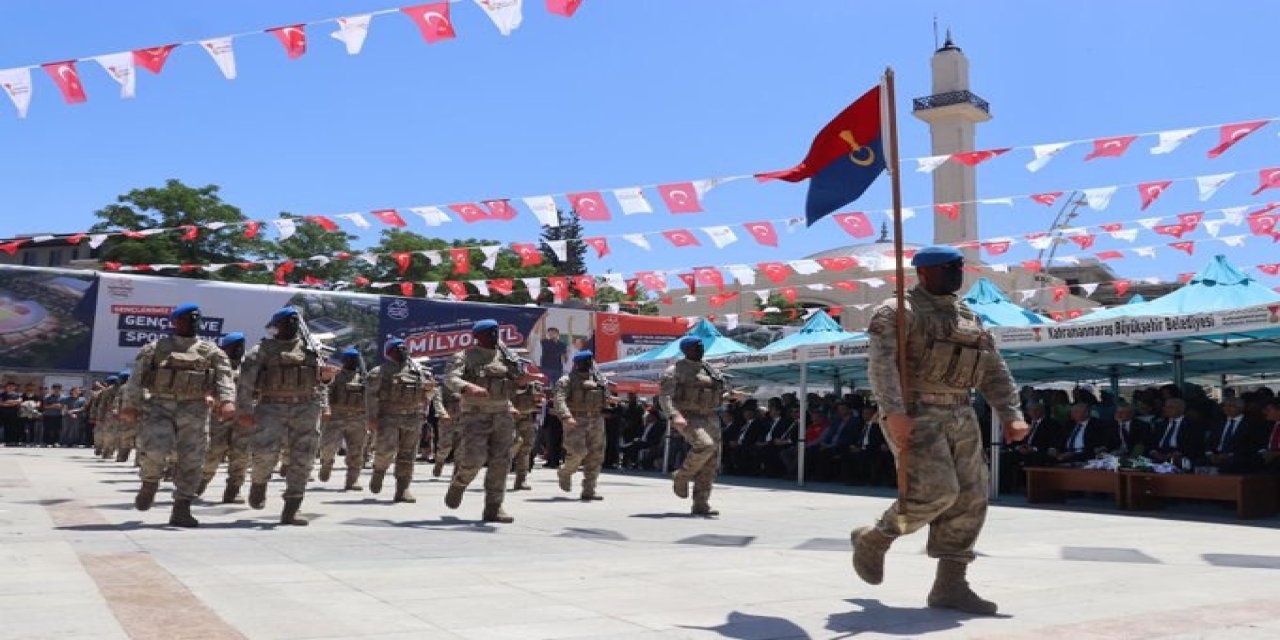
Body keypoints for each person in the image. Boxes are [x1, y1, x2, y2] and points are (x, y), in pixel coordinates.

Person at [851, 245, 1027, 616]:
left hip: (961, 412)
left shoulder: (968, 315)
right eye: (948, 267)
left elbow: (993, 368)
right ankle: (877, 538)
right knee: (934, 492)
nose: (956, 273)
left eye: (959, 267)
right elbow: (881, 365)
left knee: (971, 498)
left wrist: (1010, 413)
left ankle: (951, 584)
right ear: (923, 272)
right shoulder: (898, 311)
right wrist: (893, 412)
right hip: (916, 411)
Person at [120, 303, 236, 527]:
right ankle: (149, 482)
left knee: (193, 459)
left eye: (194, 319)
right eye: (184, 319)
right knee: (154, 450)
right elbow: (136, 379)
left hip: (195, 409)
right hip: (159, 405)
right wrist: (130, 405)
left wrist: (227, 400)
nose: (190, 323)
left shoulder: (211, 351)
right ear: (174, 322)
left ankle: (182, 508)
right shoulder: (155, 348)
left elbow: (224, 378)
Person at [237, 306, 330, 526]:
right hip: (271, 406)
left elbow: (320, 382)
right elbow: (246, 383)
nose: (292, 326)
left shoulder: (312, 350)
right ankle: (259, 483)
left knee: (304, 458)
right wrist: (244, 410)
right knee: (265, 453)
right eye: (286, 322)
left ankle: (292, 507)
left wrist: (326, 386)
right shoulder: (262, 350)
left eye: (294, 322)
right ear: (277, 326)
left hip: (306, 407)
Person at [443, 319, 536, 523]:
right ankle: (460, 482)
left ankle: (494, 507)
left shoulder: (507, 358)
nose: (494, 336)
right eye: (489, 333)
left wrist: (523, 383)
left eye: (496, 332)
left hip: (502, 414)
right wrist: (468, 387)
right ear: (478, 337)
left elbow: (515, 384)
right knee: (473, 459)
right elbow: (450, 378)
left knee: (501, 462)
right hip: (475, 415)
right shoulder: (464, 356)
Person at [657, 336, 739, 517]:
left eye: (701, 346)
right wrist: (674, 415)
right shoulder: (675, 370)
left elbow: (715, 394)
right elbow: (665, 397)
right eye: (696, 347)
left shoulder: (709, 369)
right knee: (705, 445)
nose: (701, 349)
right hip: (688, 416)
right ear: (686, 350)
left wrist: (730, 397)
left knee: (711, 462)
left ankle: (701, 504)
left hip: (710, 417)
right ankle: (682, 476)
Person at [367, 339, 447, 503]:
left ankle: (403, 489)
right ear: (389, 352)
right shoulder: (380, 371)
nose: (403, 351)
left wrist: (428, 392)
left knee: (408, 454)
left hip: (412, 417)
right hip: (389, 416)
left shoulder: (418, 371)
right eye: (398, 348)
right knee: (386, 450)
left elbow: (431, 392)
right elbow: (370, 396)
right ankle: (379, 470)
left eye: (404, 348)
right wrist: (372, 418)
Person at [553, 351, 615, 501]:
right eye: (585, 362)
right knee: (577, 452)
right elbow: (559, 399)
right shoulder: (566, 380)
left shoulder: (598, 380)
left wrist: (610, 401)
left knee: (596, 455)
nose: (588, 365)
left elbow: (605, 398)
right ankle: (565, 472)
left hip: (596, 419)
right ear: (576, 364)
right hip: (576, 419)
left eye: (589, 361)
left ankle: (589, 489)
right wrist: (566, 416)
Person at [200, 333, 252, 503]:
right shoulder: (214, 365)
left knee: (241, 454)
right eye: (233, 347)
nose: (237, 350)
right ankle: (200, 483)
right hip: (219, 415)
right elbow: (204, 385)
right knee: (213, 451)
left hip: (243, 416)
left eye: (240, 346)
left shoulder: (249, 366)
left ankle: (233, 490)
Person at [319, 348, 370, 492]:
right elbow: (325, 391)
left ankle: (352, 480)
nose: (352, 361)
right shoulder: (336, 376)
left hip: (358, 418)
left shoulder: (364, 378)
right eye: (349, 359)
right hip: (336, 416)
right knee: (328, 447)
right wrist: (326, 409)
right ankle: (327, 463)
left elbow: (372, 397)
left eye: (355, 359)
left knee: (356, 451)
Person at [509, 379, 544, 491]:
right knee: (515, 442)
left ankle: (521, 480)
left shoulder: (533, 387)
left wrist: (537, 400)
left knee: (525, 450)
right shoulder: (508, 384)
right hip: (509, 419)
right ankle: (500, 470)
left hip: (526, 420)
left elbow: (539, 405)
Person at [432, 385, 463, 478]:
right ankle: (439, 462)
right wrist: (442, 414)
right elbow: (437, 401)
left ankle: (457, 472)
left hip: (463, 420)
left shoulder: (466, 385)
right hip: (447, 421)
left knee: (461, 448)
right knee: (445, 446)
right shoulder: (442, 389)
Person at [93, 377, 120, 458]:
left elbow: (101, 404)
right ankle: (108, 451)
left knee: (104, 432)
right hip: (117, 414)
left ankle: (100, 448)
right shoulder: (120, 389)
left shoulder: (105, 391)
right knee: (113, 434)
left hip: (107, 414)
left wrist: (99, 416)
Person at [1, 381, 24, 446]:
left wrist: (8, 402)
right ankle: (7, 441)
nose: (10, 387)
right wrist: (12, 403)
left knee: (14, 428)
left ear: (14, 387)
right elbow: (1, 403)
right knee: (6, 427)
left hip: (14, 413)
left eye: (12, 386)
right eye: (9, 386)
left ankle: (14, 441)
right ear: (6, 387)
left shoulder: (18, 394)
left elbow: (20, 401)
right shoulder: (2, 394)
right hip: (4, 414)